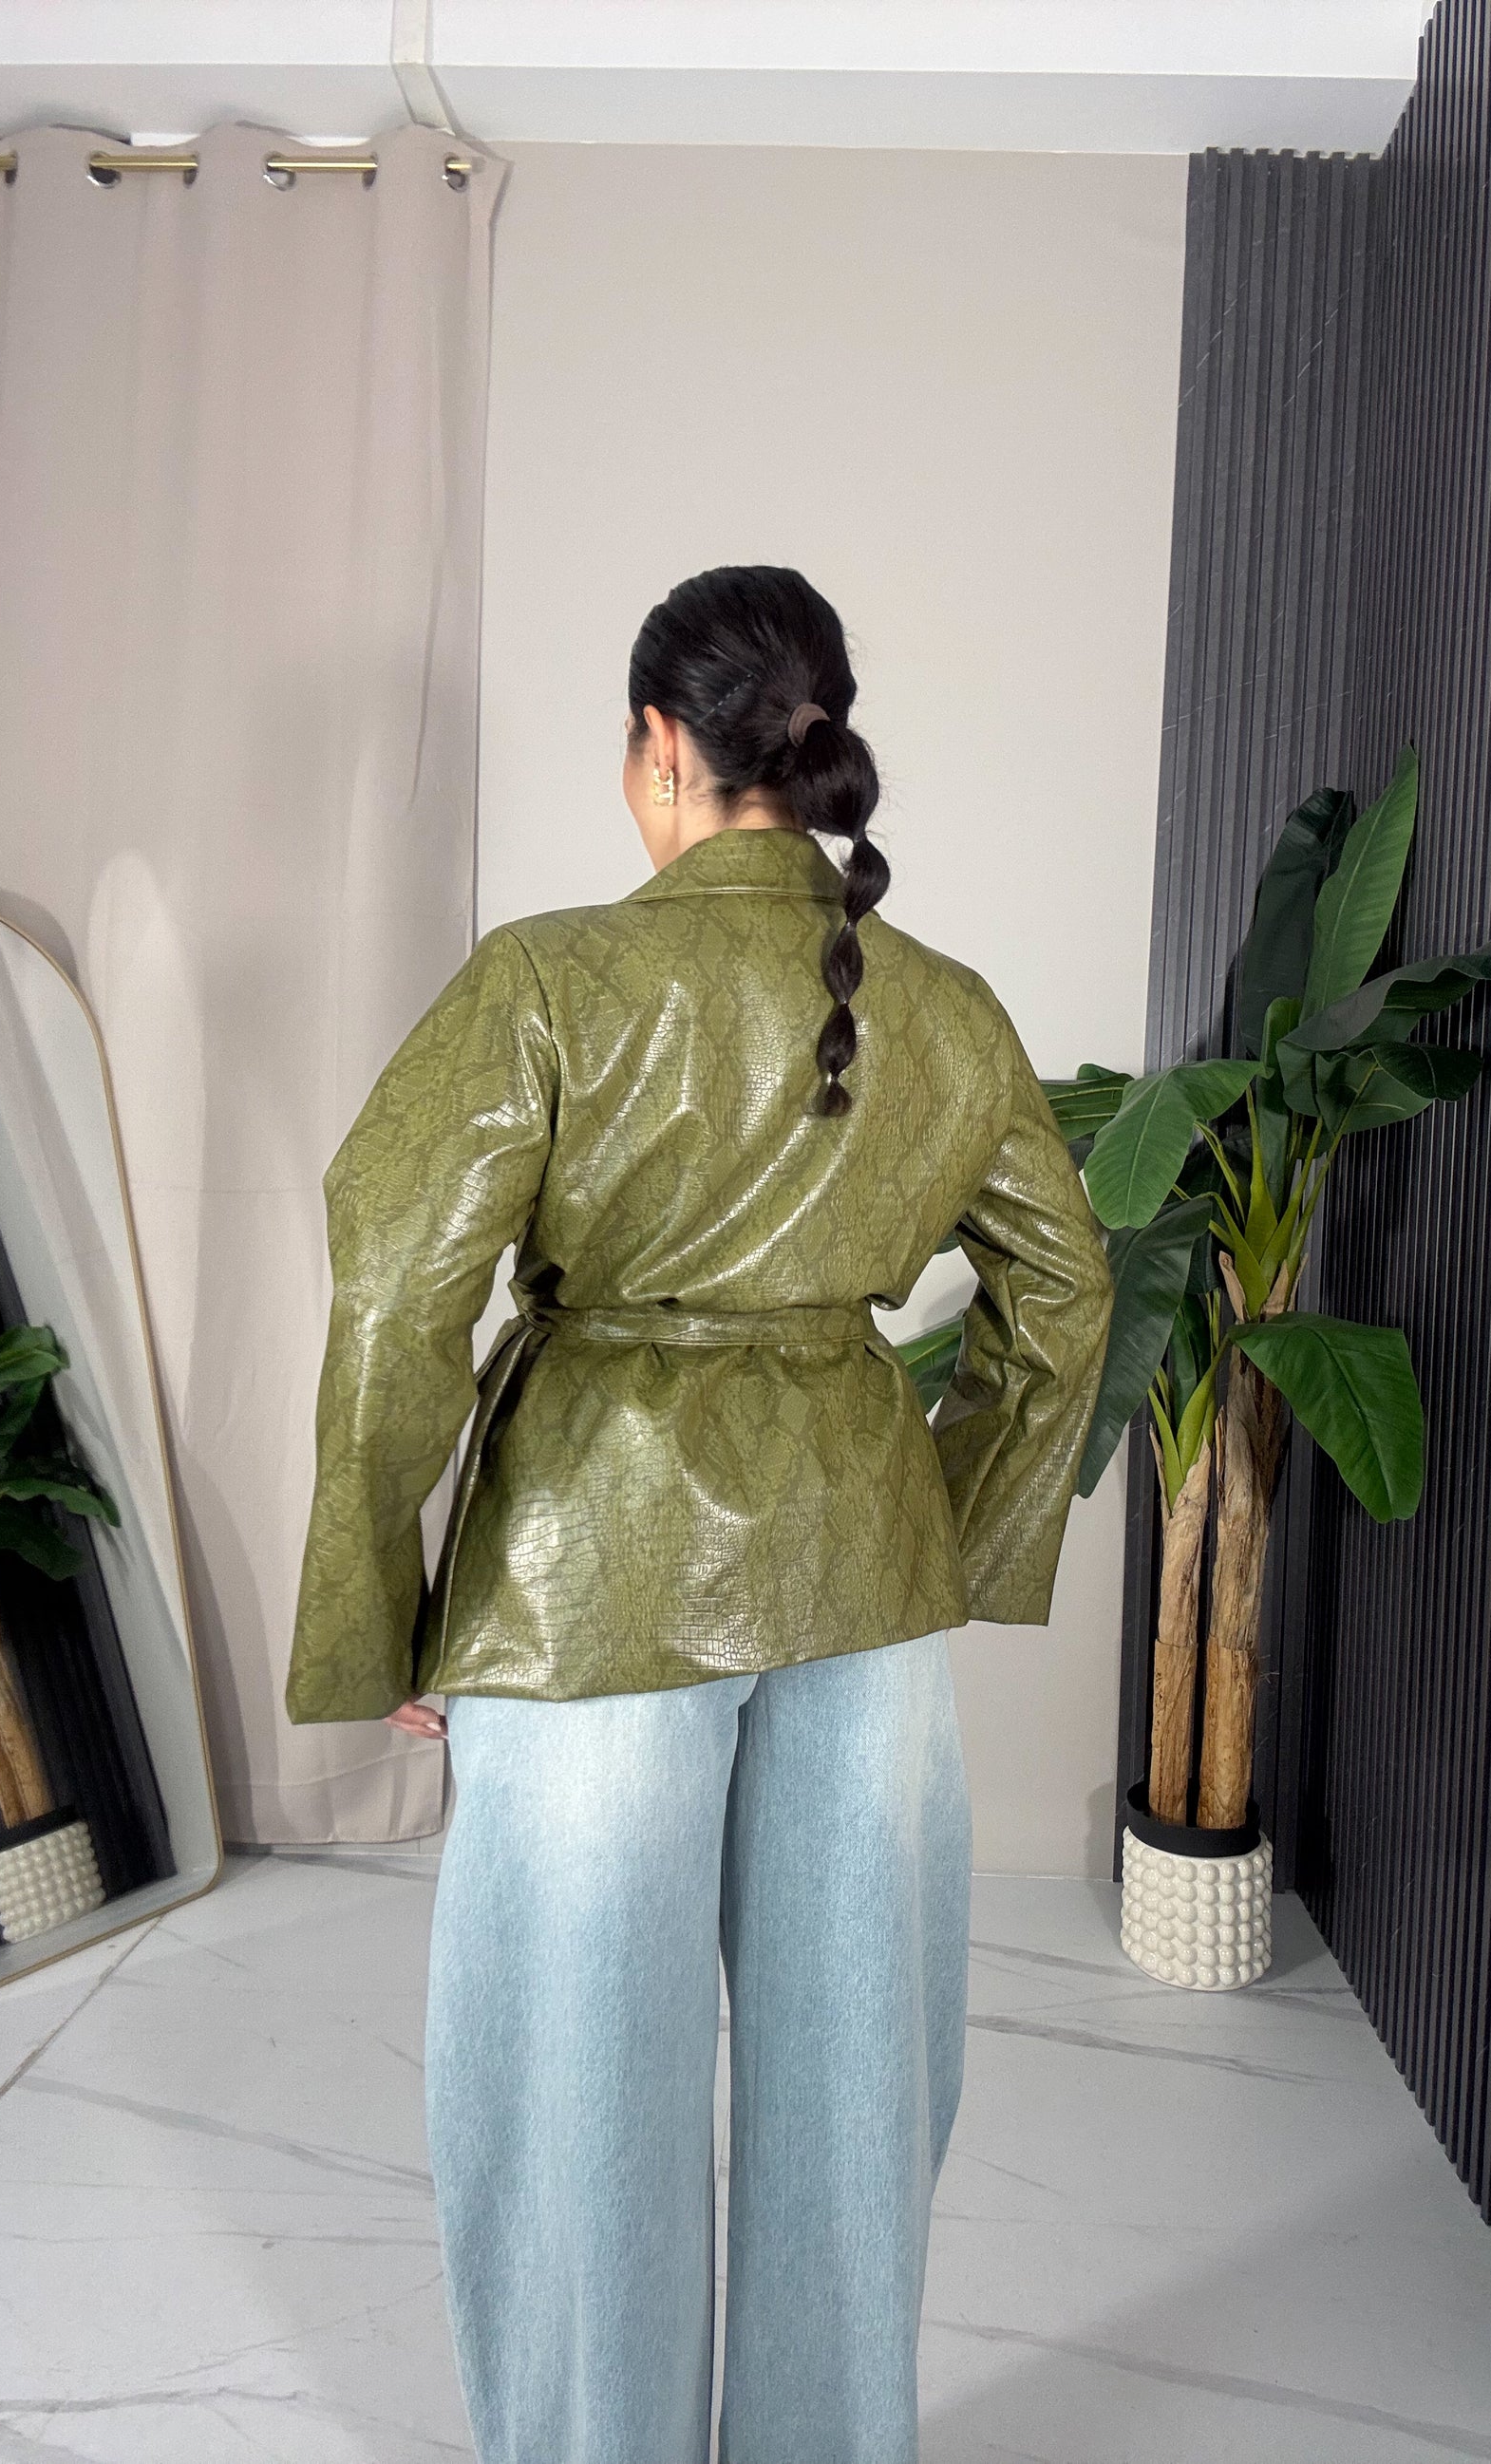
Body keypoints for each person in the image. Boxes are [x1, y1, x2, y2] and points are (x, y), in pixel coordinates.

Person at [283, 564, 1113, 2464]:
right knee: (857, 2090)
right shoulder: (944, 1005)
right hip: (860, 1582)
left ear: (662, 747)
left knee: (581, 2093)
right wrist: (950, 1539)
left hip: (592, 1578)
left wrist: (381, 1613)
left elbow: (396, 1298)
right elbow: (1065, 1299)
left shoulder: (545, 980)